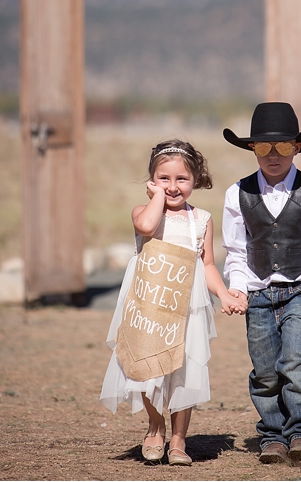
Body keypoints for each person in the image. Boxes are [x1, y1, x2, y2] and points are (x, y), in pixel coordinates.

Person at [101, 139, 246, 466]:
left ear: (195, 180)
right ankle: (156, 425)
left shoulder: (202, 219)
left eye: (182, 179)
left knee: (183, 370)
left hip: (186, 307)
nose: (173, 186)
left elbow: (207, 264)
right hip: (148, 305)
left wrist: (223, 294)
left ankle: (179, 439)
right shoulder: (143, 211)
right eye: (163, 178)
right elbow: (148, 226)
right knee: (144, 366)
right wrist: (156, 199)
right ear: (151, 180)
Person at [221, 102, 301, 466]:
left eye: (284, 147)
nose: (273, 155)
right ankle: (273, 436)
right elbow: (235, 250)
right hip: (258, 293)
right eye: (263, 147)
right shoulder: (236, 194)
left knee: (298, 359)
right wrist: (238, 288)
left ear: (298, 147)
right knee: (265, 370)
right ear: (251, 149)